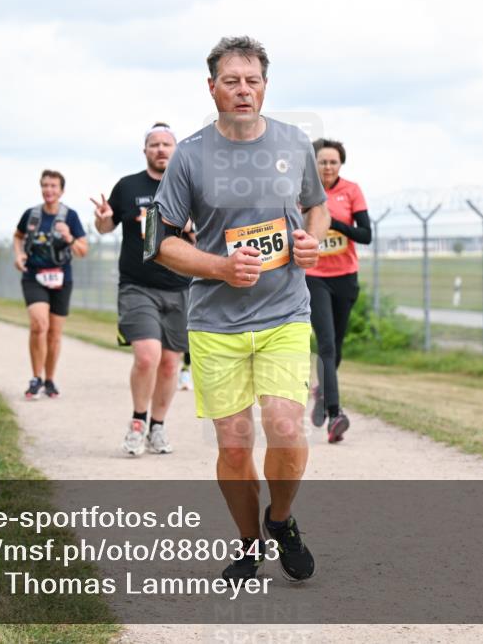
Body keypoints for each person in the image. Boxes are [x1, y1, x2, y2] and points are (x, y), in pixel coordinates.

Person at [149, 37, 330, 583]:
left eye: (252, 80)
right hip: (216, 322)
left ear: (265, 86)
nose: (243, 90)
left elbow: (316, 209)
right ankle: (250, 545)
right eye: (232, 81)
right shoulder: (190, 155)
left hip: (284, 315)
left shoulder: (294, 143)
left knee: (285, 426)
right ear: (213, 88)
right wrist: (220, 267)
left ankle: (281, 519)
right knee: (233, 446)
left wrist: (311, 243)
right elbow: (161, 244)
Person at [91, 122, 190, 457]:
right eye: (154, 144)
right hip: (138, 286)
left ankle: (157, 427)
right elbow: (106, 226)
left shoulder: (189, 187)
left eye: (166, 144)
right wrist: (103, 218)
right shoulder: (128, 186)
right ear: (145, 151)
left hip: (180, 287)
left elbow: (206, 233)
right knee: (148, 356)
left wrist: (192, 226)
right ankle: (137, 422)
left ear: (176, 150)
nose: (160, 149)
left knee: (170, 364)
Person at [305, 138, 372, 443]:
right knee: (327, 345)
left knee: (337, 350)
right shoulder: (303, 192)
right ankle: (336, 415)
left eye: (333, 162)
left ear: (340, 164)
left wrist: (336, 224)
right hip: (314, 276)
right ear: (313, 163)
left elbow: (365, 235)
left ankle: (321, 389)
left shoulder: (351, 191)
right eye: (322, 161)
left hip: (345, 277)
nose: (328, 167)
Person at [13, 170, 89, 399]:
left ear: (61, 191)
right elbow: (17, 236)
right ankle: (35, 378)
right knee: (39, 324)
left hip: (61, 279)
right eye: (45, 185)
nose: (49, 190)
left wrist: (68, 237)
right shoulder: (31, 214)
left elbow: (83, 250)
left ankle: (49, 379)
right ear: (41, 188)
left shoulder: (70, 217)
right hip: (33, 276)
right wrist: (18, 255)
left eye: (54, 186)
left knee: (54, 333)